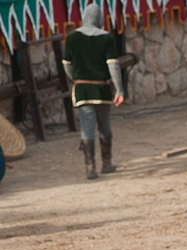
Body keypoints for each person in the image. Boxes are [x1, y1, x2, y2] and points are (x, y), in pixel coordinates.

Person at [62, 3, 124, 180]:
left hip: (82, 90)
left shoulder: (72, 38)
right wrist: (119, 88)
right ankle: (106, 163)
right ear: (99, 18)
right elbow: (113, 66)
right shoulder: (106, 39)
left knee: (87, 128)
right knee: (104, 125)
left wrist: (77, 79)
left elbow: (67, 65)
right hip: (102, 89)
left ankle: (90, 168)